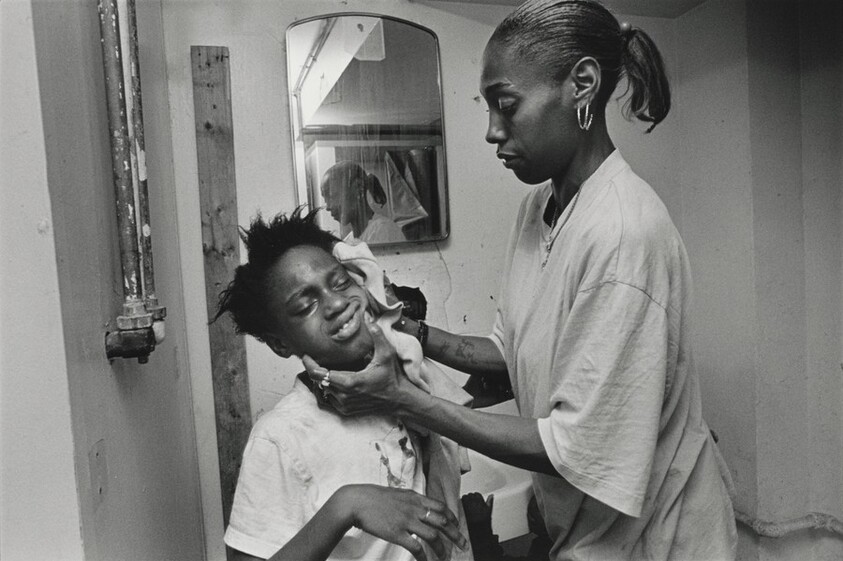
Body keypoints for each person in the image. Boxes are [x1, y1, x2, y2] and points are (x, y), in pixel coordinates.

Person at [303, 1, 738, 559]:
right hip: (585, 526)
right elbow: (509, 353)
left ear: (581, 85)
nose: (491, 131)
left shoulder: (625, 235)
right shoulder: (540, 210)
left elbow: (573, 445)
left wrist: (405, 399)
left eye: (506, 106)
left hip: (659, 537)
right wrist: (403, 322)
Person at [214, 208, 471, 561]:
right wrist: (345, 507)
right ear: (280, 343)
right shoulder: (281, 436)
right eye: (305, 306)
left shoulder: (407, 386)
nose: (336, 304)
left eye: (340, 283)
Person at [320, 161, 407, 244]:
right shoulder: (349, 240)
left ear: (359, 188)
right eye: (325, 199)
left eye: (331, 196)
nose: (328, 207)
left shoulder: (384, 230)